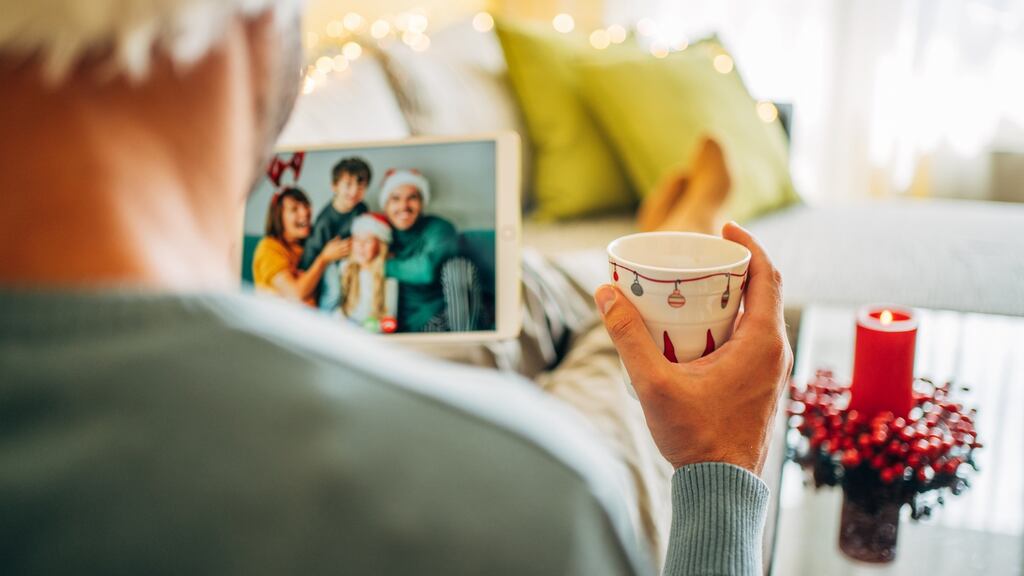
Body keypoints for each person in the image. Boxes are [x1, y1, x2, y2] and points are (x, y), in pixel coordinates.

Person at [0, 3, 793, 575]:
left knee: (527, 295)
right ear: (258, 25)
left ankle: (654, 234)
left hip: (352, 331)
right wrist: (721, 465)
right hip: (393, 373)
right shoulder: (535, 501)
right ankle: (676, 230)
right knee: (605, 352)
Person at [378, 168, 463, 332]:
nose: (404, 206)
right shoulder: (378, 232)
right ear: (386, 205)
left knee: (462, 268)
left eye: (412, 198)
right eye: (395, 199)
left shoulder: (440, 228)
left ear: (422, 203)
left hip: (440, 317)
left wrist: (382, 264)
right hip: (390, 324)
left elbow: (426, 270)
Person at [251, 186, 347, 306]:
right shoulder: (268, 248)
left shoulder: (310, 242)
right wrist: (324, 259)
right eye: (294, 209)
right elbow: (295, 294)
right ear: (278, 216)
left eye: (306, 205)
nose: (305, 212)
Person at [299, 157, 372, 279]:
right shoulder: (324, 222)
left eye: (361, 186)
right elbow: (310, 254)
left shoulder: (361, 208)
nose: (354, 191)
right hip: (328, 266)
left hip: (354, 258)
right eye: (348, 185)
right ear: (334, 186)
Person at [337, 213, 399, 332]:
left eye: (368, 241)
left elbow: (389, 319)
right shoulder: (345, 268)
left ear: (380, 245)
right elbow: (338, 308)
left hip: (373, 333)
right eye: (357, 239)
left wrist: (371, 329)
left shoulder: (388, 275)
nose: (361, 246)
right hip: (346, 331)